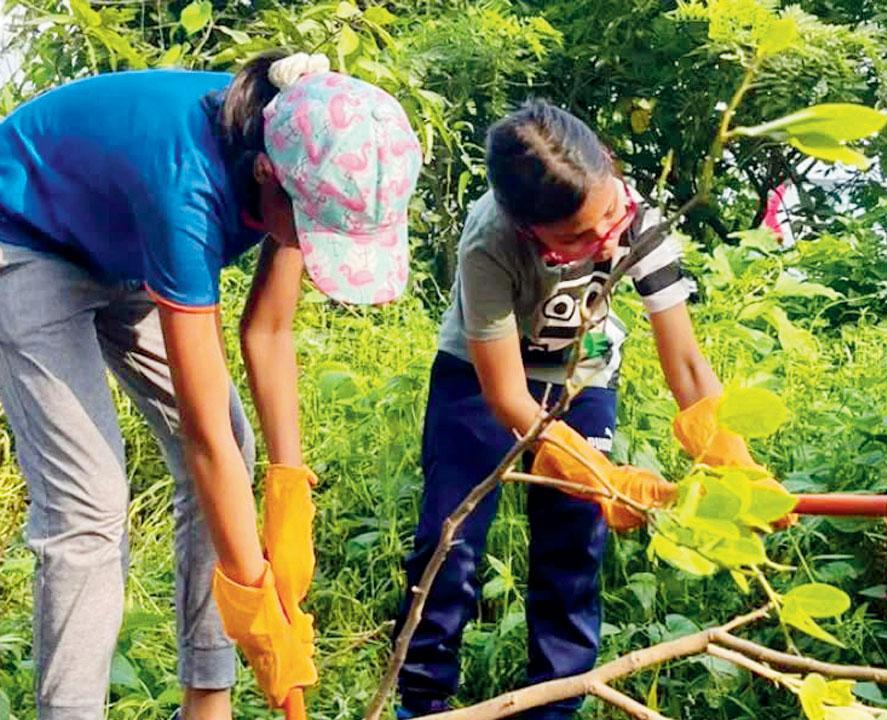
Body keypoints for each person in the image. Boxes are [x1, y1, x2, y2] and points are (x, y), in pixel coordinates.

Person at [0, 49, 422, 718]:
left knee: (239, 445)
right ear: (266, 176)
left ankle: (206, 700)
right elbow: (201, 440)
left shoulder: (303, 155)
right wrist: (259, 608)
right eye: (315, 233)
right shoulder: (188, 184)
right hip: (25, 235)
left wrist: (288, 492)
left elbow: (269, 333)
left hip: (123, 247)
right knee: (90, 504)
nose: (316, 250)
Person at [395, 99, 783, 718]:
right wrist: (599, 477)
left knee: (573, 548)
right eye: (575, 236)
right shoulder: (490, 241)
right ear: (528, 229)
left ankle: (555, 706)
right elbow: (507, 397)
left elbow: (684, 364)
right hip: (482, 376)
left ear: (607, 166)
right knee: (450, 542)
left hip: (583, 375)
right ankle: (422, 700)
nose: (602, 238)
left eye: (605, 215)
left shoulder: (636, 220)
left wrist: (734, 462)